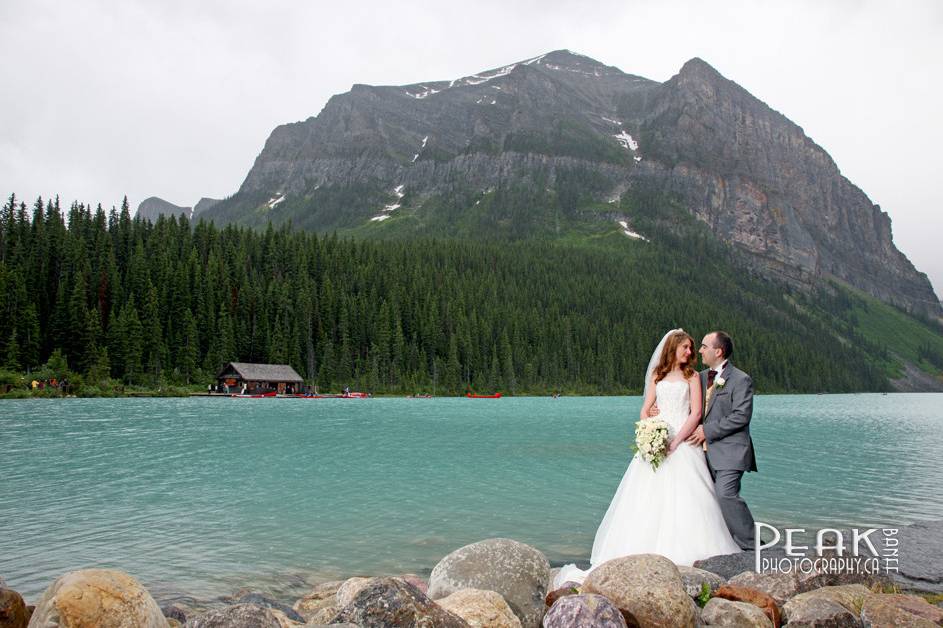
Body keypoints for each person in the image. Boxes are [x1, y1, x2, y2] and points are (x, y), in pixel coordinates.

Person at [554, 329, 740, 586]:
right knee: (644, 499)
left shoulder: (692, 377)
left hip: (682, 443)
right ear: (672, 348)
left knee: (688, 498)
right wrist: (651, 430)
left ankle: (694, 558)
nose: (690, 352)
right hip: (657, 442)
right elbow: (645, 409)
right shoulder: (657, 375)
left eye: (692, 348)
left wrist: (675, 441)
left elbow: (696, 414)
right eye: (685, 347)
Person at [683, 330, 758, 550]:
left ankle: (752, 545)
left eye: (704, 346)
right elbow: (690, 409)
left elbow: (741, 416)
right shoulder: (699, 376)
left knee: (726, 494)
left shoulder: (741, 379)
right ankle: (720, 543)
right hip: (701, 452)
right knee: (705, 498)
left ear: (719, 351)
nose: (700, 350)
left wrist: (707, 431)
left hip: (731, 450)